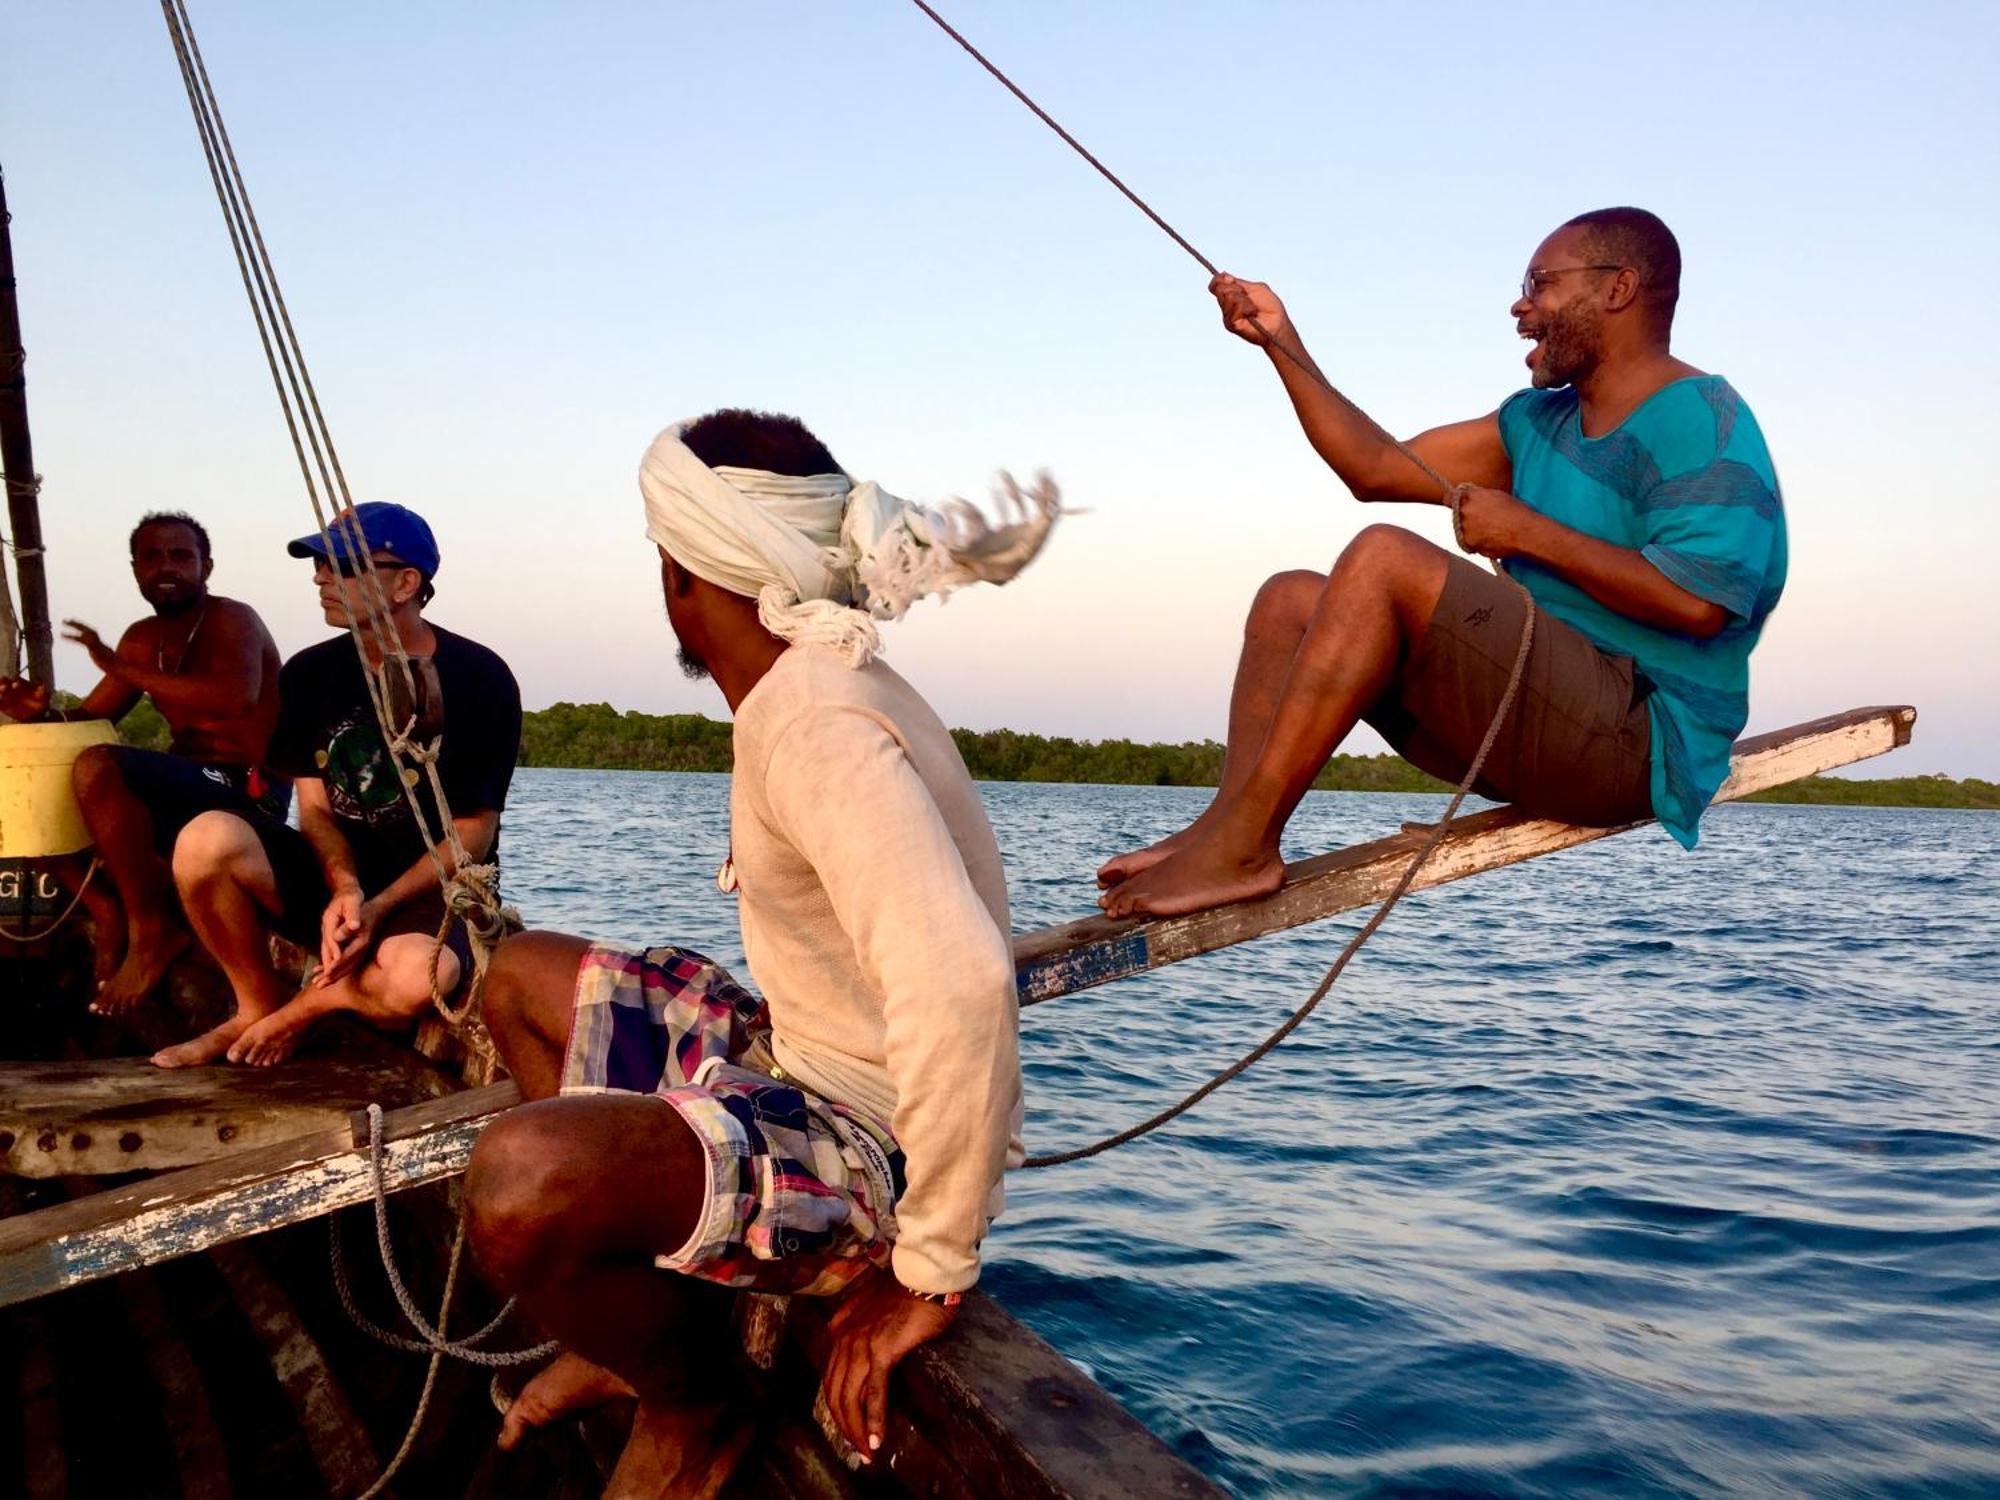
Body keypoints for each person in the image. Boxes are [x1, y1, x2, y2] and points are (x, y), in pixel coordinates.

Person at [462, 409, 1059, 1498]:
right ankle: (627, 1327)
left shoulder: (815, 724)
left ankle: (690, 1406)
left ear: (681, 575)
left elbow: (963, 985)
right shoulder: (802, 692)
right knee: (518, 978)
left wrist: (930, 1273)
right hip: (796, 1056)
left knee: (519, 1180)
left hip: (875, 1150)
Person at [1099, 207, 1788, 920]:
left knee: (1384, 558)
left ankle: (1242, 849)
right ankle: (1227, 831)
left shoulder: (1701, 416)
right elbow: (1373, 467)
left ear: (1619, 289)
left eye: (1541, 283)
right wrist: (1281, 342)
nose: (1521, 306)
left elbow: (1699, 604)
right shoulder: (1535, 423)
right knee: (1288, 601)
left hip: (1638, 746)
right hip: (1535, 725)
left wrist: (1528, 532)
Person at [155, 502, 521, 1068]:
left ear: (405, 583)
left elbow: (472, 833)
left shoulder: (480, 678)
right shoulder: (310, 673)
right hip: (338, 883)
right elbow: (316, 808)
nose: (320, 577)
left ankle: (312, 1004)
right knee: (206, 839)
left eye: (341, 565)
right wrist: (346, 886)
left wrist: (378, 907)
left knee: (419, 979)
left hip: (427, 894)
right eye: (320, 564)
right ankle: (255, 1004)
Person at [0, 511, 283, 1010]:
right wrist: (38, 713)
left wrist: (118, 665)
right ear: (135, 569)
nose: (166, 566)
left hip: (252, 790)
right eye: (152, 557)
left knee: (98, 766)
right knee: (30, 784)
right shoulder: (141, 638)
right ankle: (105, 909)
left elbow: (233, 698)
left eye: (180, 555)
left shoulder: (232, 618)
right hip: (189, 786)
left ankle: (151, 931)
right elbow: (89, 718)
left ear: (206, 565)